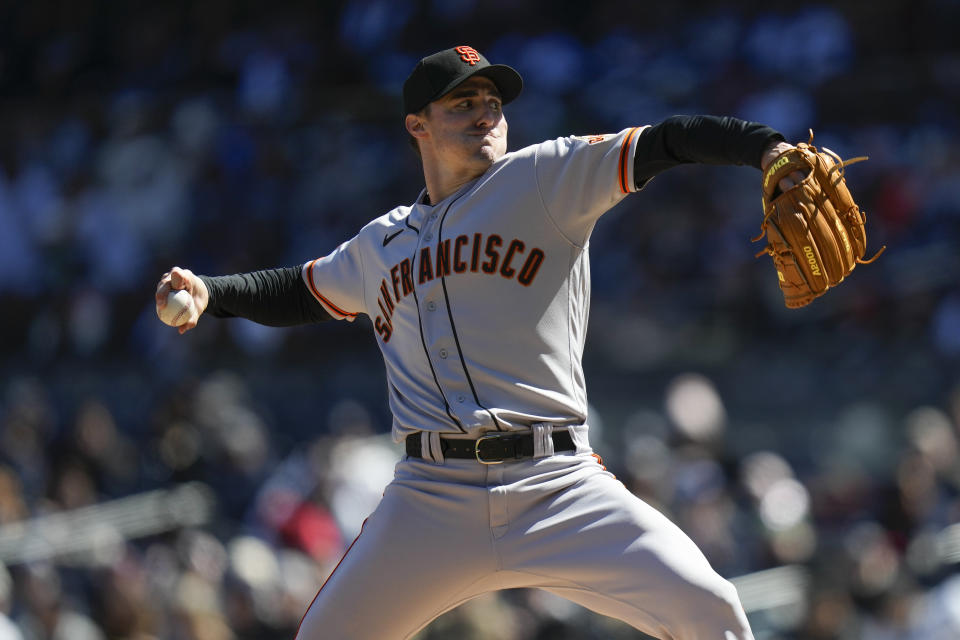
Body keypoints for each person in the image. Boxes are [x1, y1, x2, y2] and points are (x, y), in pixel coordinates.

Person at [155, 45, 800, 640]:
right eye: (462, 104)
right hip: (430, 497)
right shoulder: (380, 244)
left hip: (557, 483)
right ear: (418, 126)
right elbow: (299, 290)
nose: (485, 115)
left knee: (711, 610)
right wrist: (213, 292)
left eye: (493, 103)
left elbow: (665, 143)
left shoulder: (546, 178)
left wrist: (765, 148)